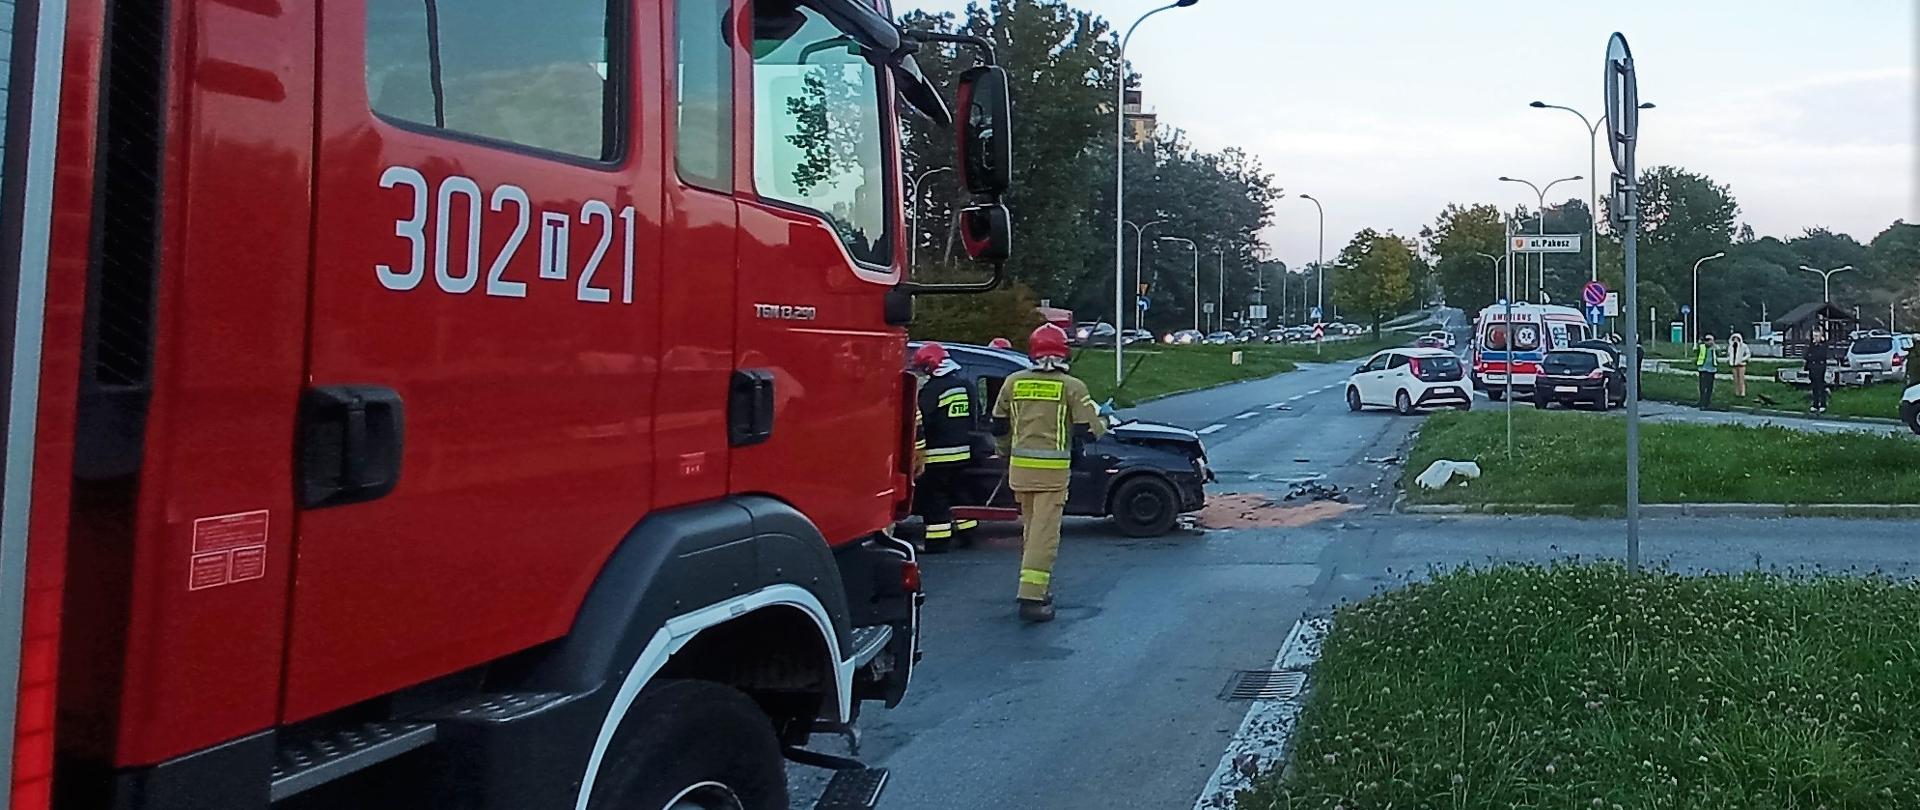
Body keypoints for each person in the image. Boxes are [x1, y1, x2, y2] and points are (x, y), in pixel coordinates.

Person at [991, 323, 1106, 623]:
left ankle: (1036, 588)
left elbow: (999, 426)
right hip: (1052, 475)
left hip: (1020, 471)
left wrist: (1004, 451)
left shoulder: (1013, 382)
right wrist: (1101, 416)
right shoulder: (1072, 386)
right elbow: (1088, 431)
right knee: (1045, 536)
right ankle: (1032, 596)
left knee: (1032, 531)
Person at [909, 342, 977, 553]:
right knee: (960, 493)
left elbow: (922, 421)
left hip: (938, 455)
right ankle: (968, 534)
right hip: (963, 452)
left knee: (935, 499)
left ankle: (937, 542)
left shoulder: (931, 390)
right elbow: (974, 415)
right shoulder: (965, 385)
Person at [1806, 329, 1831, 413]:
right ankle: (1815, 404)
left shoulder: (1823, 345)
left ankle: (1823, 404)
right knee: (1814, 387)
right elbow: (1807, 355)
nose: (1815, 338)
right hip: (1812, 367)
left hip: (1820, 368)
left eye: (1817, 336)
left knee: (1821, 386)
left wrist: (1822, 343)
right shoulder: (1812, 345)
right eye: (1814, 336)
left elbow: (1822, 355)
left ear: (1821, 336)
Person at [1694, 334, 1718, 409]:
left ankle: (1707, 402)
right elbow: (1697, 352)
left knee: (1709, 387)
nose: (1708, 342)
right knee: (1702, 387)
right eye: (1706, 340)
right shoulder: (1702, 347)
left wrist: (1714, 345)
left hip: (1712, 370)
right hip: (1703, 369)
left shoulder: (1714, 348)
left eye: (1710, 340)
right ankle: (1702, 402)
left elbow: (1720, 352)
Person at [1727, 332, 1752, 398]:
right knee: (1735, 379)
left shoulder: (1743, 346)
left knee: (1741, 379)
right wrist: (1730, 361)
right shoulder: (1731, 347)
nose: (1735, 340)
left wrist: (1742, 359)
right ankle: (1737, 392)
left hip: (1741, 365)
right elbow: (1729, 355)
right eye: (1734, 338)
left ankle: (1742, 392)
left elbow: (1748, 354)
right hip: (1734, 365)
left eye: (1737, 338)